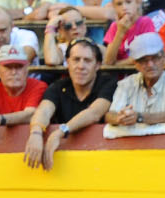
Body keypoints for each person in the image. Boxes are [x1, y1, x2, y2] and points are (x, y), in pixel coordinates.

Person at [26, 40, 113, 170]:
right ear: (68, 62)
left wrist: (60, 132)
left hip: (103, 161)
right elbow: (44, 110)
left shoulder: (108, 83)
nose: (81, 66)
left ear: (97, 65)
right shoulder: (58, 86)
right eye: (76, 59)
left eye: (87, 60)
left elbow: (94, 113)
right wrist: (36, 133)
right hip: (64, 165)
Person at [108, 33, 165, 124]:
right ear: (135, 64)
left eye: (155, 58)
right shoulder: (126, 84)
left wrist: (139, 117)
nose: (150, 64)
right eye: (143, 60)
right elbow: (111, 114)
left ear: (164, 57)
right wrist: (119, 118)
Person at [0, 45, 47, 133]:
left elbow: (30, 114)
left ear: (26, 69)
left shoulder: (38, 86)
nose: (13, 72)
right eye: (8, 67)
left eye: (19, 67)